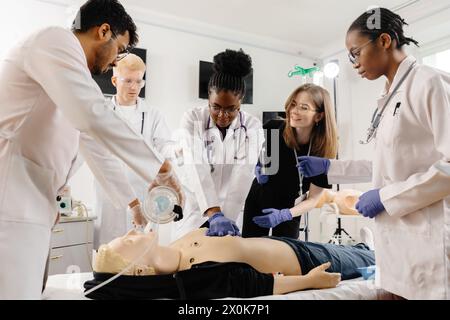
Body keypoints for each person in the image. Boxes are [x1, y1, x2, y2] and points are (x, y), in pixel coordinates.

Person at [0, 0, 182, 299]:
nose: (116, 60)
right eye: (120, 49)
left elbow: (94, 147)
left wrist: (133, 204)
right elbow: (93, 117)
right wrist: (161, 169)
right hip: (11, 201)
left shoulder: (75, 80)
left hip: (33, 205)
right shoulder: (55, 40)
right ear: (104, 31)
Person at [298, 8, 450, 299]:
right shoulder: (389, 96)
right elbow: (387, 164)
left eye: (356, 52)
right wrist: (330, 168)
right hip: (396, 247)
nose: (353, 64)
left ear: (383, 41)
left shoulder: (428, 83)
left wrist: (385, 197)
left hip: (428, 246)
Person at [84, 227, 375, 299]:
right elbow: (256, 284)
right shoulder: (193, 276)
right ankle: (368, 251)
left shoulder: (174, 247)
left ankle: (363, 247)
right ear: (140, 270)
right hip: (306, 261)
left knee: (359, 249)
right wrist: (310, 281)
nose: (132, 231)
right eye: (130, 241)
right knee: (369, 257)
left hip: (285, 243)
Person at [172, 49, 263, 239]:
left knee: (223, 258)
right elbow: (195, 164)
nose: (223, 115)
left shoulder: (252, 126)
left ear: (241, 102)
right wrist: (213, 212)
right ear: (208, 100)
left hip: (230, 209)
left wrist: (225, 219)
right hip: (194, 207)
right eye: (216, 107)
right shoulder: (193, 118)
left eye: (231, 109)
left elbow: (243, 174)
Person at [94, 53, 176, 247]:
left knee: (142, 251)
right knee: (110, 250)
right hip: (111, 194)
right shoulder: (102, 111)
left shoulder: (153, 115)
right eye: (128, 81)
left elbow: (165, 145)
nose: (134, 87)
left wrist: (177, 150)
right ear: (114, 80)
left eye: (139, 81)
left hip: (143, 191)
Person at [242, 84, 338, 238]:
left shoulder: (322, 153)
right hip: (259, 200)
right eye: (293, 104)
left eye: (304, 107)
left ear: (319, 116)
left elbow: (313, 199)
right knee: (251, 251)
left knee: (285, 256)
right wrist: (256, 166)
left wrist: (284, 215)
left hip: (290, 210)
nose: (294, 111)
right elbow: (252, 156)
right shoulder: (273, 129)